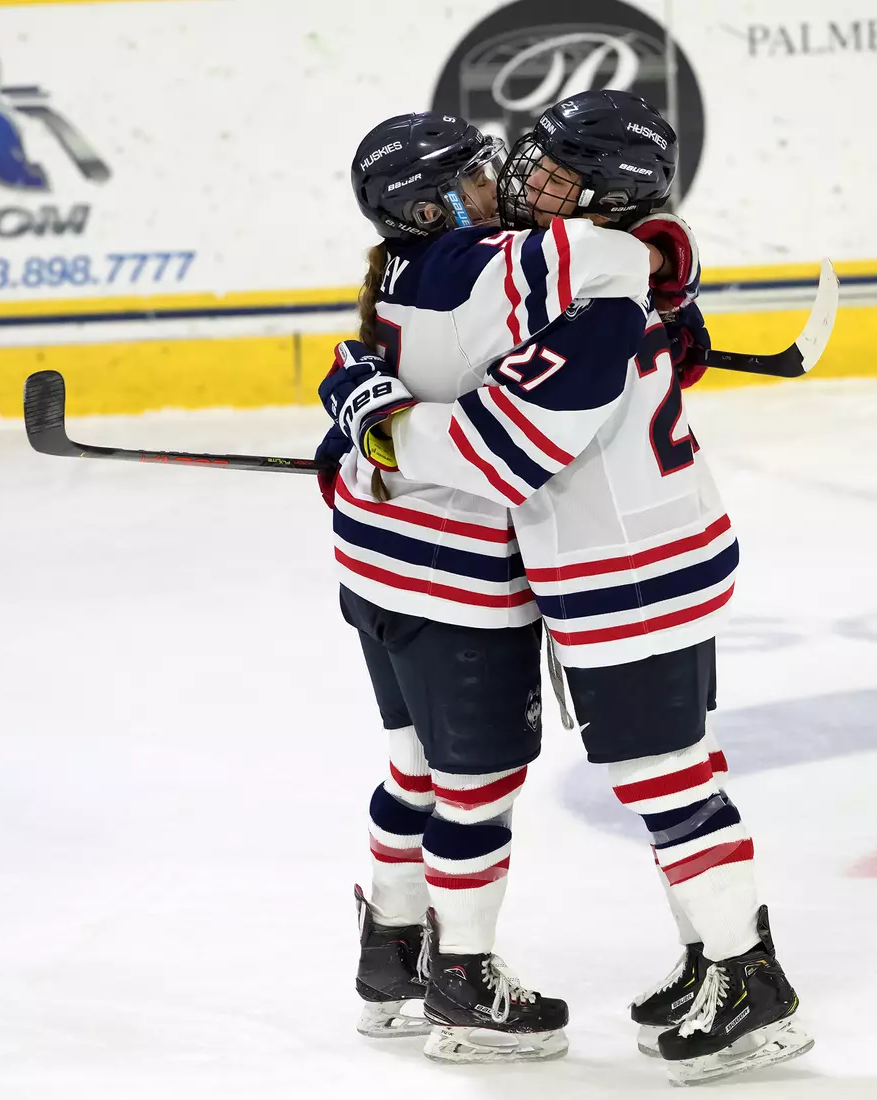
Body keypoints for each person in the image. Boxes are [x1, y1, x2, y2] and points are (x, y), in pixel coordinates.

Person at [322, 91, 811, 1085]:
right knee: (662, 771)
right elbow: (627, 269)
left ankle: (746, 977)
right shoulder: (551, 272)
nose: (518, 185)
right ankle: (705, 960)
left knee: (666, 777)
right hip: (616, 561)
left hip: (629, 571)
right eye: (520, 166)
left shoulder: (575, 290)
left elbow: (507, 454)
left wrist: (378, 424)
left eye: (548, 177)